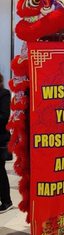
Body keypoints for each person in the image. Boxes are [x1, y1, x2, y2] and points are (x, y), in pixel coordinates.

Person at [0, 73, 13, 213]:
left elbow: (4, 116)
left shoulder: (4, 94)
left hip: (1, 139)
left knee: (0, 171)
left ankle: (6, 201)